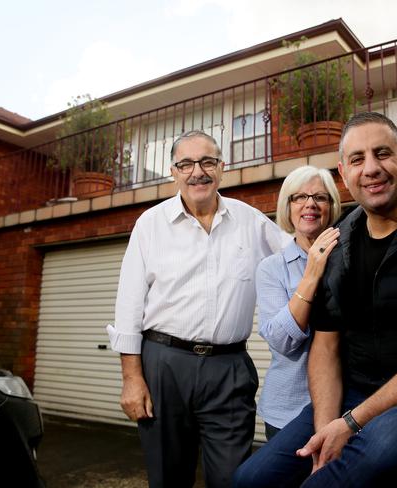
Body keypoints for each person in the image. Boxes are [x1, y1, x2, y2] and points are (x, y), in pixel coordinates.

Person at [233, 112, 397, 487]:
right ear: (345, 174)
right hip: (356, 393)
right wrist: (328, 428)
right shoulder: (338, 243)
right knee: (251, 480)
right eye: (358, 160)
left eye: (383, 154)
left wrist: (354, 421)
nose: (371, 168)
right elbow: (325, 348)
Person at [106, 130, 289, 488]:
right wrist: (132, 378)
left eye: (207, 162)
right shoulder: (150, 224)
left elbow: (294, 258)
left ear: (222, 167)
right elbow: (128, 303)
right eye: (186, 163)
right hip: (163, 366)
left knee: (233, 477)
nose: (197, 172)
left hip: (229, 369)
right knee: (168, 476)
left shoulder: (250, 221)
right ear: (173, 172)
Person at [257, 166, 341, 440]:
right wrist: (313, 271)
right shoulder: (271, 269)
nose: (310, 204)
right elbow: (282, 343)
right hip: (288, 410)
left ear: (332, 206)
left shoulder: (349, 257)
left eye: (320, 197)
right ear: (288, 207)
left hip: (344, 407)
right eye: (300, 197)